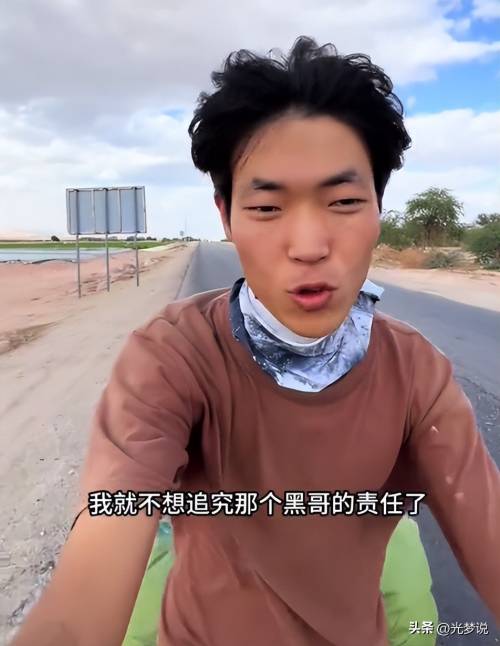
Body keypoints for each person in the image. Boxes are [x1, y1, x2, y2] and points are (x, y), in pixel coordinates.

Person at [12, 36, 499, 646]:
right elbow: (87, 586)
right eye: (267, 209)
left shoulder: (416, 372)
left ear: (379, 208)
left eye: (344, 201)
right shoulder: (172, 357)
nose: (309, 246)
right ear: (226, 216)